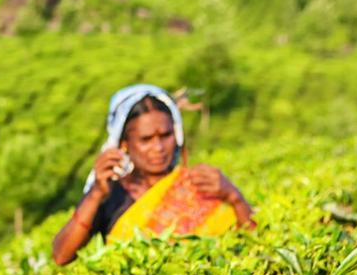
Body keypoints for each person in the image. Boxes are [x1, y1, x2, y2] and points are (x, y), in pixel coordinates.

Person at [53, 84, 256, 265]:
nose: (158, 147)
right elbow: (62, 256)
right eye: (146, 139)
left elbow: (253, 244)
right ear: (124, 143)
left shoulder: (196, 183)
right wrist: (95, 194)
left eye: (165, 136)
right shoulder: (112, 196)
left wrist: (234, 196)